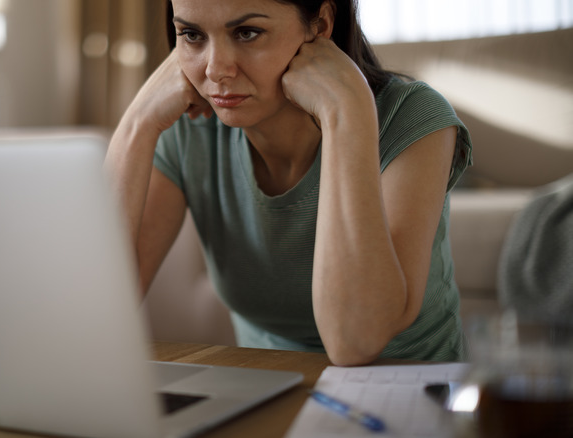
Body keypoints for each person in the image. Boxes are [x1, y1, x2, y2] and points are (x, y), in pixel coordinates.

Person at [104, 0, 472, 366]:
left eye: (247, 33)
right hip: (264, 396)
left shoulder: (412, 117)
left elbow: (356, 342)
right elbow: (95, 311)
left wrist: (345, 112)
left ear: (321, 25)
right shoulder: (190, 129)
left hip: (407, 397)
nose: (216, 70)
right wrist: (137, 123)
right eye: (192, 35)